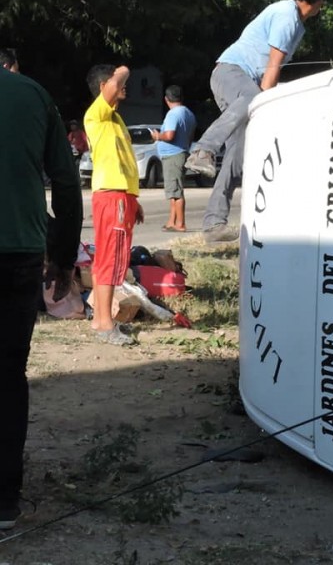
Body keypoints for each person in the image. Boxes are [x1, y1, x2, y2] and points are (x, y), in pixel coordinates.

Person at [184, 0, 329, 243]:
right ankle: (203, 149)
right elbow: (272, 70)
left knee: (237, 155)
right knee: (255, 99)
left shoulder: (296, 23)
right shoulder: (287, 18)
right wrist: (266, 106)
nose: (323, 6)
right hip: (231, 72)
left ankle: (214, 223)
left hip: (243, 81)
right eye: (323, 1)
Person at [0, 66, 83, 530]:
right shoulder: (33, 93)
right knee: (8, 374)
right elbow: (67, 184)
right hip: (19, 254)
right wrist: (64, 258)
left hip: (20, 252)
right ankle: (4, 502)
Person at [83, 64, 144, 346]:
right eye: (115, 82)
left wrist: (134, 199)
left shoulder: (115, 119)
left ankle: (101, 318)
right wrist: (122, 70)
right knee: (110, 259)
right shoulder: (97, 112)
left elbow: (124, 162)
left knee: (106, 258)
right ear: (103, 86)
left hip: (121, 195)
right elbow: (112, 86)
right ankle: (105, 323)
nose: (123, 85)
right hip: (111, 196)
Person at [150, 85, 196, 232]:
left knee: (176, 191)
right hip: (180, 153)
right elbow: (190, 136)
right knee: (173, 191)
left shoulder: (173, 114)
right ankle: (172, 221)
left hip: (173, 155)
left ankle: (180, 223)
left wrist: (158, 136)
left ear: (166, 99)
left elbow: (169, 135)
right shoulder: (188, 113)